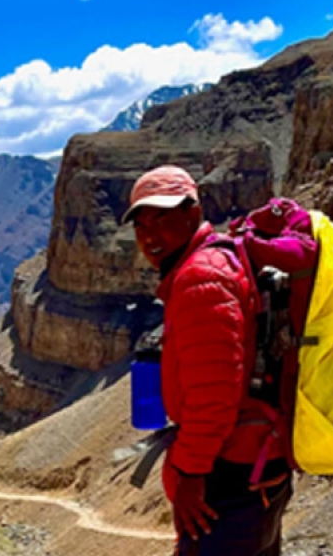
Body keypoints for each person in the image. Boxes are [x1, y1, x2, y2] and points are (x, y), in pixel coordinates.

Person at [123, 165, 292, 556]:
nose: (149, 235)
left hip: (229, 475)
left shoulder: (200, 279)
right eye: (141, 225)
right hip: (258, 462)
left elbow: (215, 395)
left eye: (161, 218)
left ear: (193, 212)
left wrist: (190, 472)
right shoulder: (220, 260)